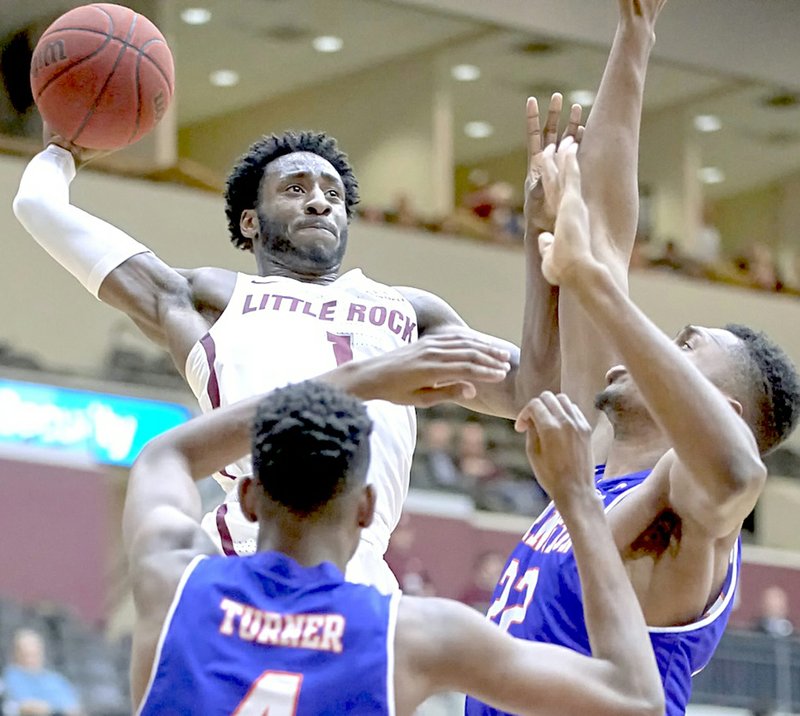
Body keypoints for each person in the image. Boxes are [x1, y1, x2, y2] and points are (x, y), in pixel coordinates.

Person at [12, 107, 572, 590]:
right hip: (253, 555)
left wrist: (541, 245)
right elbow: (39, 209)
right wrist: (62, 150)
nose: (319, 203)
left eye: (333, 194)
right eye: (295, 189)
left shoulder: (412, 311)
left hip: (365, 571)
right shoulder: (212, 297)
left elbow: (534, 393)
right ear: (250, 222)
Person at [466, 138, 800, 716]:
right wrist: (541, 235)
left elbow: (738, 471)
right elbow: (609, 244)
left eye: (683, 350)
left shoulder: (688, 505)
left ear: (721, 410)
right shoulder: (598, 470)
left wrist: (588, 276)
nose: (654, 355)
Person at [125, 368, 664, 715]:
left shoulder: (171, 579)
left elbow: (163, 455)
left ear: (246, 497)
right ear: (366, 508)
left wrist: (368, 379)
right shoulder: (412, 633)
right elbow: (635, 698)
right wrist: (577, 498)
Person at [2, 628, 82, 716]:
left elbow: (74, 709)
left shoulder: (56, 679)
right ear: (16, 654)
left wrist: (51, 709)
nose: (30, 659)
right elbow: (26, 707)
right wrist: (58, 710)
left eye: (34, 654)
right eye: (26, 654)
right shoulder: (9, 677)